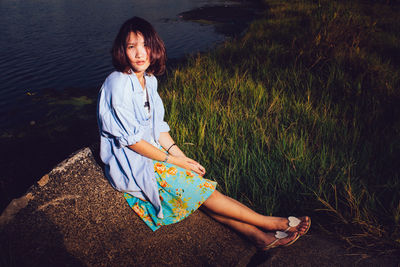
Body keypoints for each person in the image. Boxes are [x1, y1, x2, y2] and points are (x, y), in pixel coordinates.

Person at [97, 16, 311, 251]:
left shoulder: (149, 81)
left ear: (154, 47)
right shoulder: (116, 83)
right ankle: (271, 222)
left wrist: (183, 157)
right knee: (204, 192)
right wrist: (174, 161)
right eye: (131, 47)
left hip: (154, 155)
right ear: (122, 51)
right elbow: (133, 142)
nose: (140, 53)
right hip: (134, 161)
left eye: (145, 45)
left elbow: (158, 129)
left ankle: (258, 237)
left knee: (198, 189)